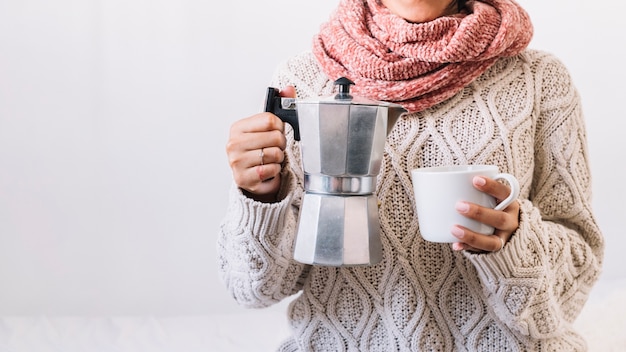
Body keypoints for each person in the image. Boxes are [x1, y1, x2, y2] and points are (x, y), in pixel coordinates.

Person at [218, 0, 604, 350]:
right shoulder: (301, 78)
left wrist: (513, 241)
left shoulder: (538, 78)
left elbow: (574, 286)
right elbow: (254, 289)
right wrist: (262, 197)